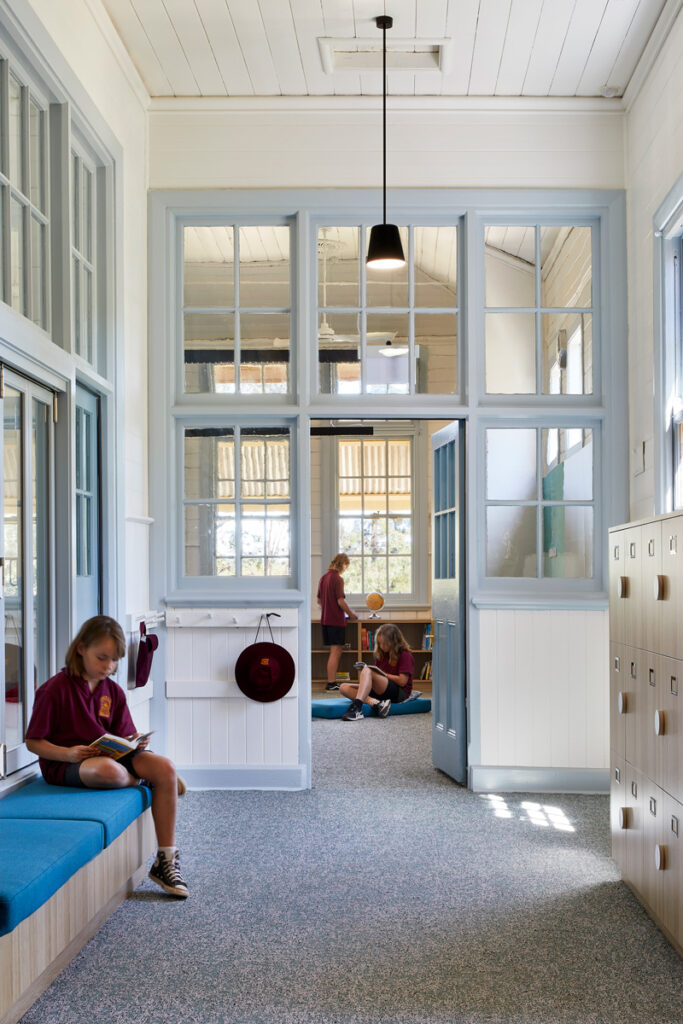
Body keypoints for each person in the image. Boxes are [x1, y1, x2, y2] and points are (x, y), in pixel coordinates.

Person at [25, 615, 189, 899]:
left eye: (114, 660)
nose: (108, 666)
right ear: (81, 648)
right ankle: (147, 781)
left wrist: (135, 742)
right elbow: (33, 742)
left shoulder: (111, 690)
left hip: (111, 755)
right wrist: (68, 753)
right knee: (108, 772)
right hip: (68, 763)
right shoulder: (53, 690)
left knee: (165, 767)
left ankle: (166, 859)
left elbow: (123, 734)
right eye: (102, 658)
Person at [339, 623, 414, 722]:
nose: (382, 646)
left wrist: (383, 675)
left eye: (385, 643)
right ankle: (377, 704)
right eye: (380, 643)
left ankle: (357, 708)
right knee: (343, 687)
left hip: (399, 693)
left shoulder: (405, 655)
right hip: (381, 690)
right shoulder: (382, 654)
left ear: (394, 642)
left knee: (368, 670)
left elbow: (402, 681)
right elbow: (376, 678)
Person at [317, 553, 358, 691]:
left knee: (333, 651)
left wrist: (329, 608)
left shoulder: (323, 578)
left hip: (326, 620)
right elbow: (340, 601)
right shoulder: (338, 579)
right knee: (335, 652)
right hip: (336, 621)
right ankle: (331, 683)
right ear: (344, 564)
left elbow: (319, 601)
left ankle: (331, 682)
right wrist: (351, 614)